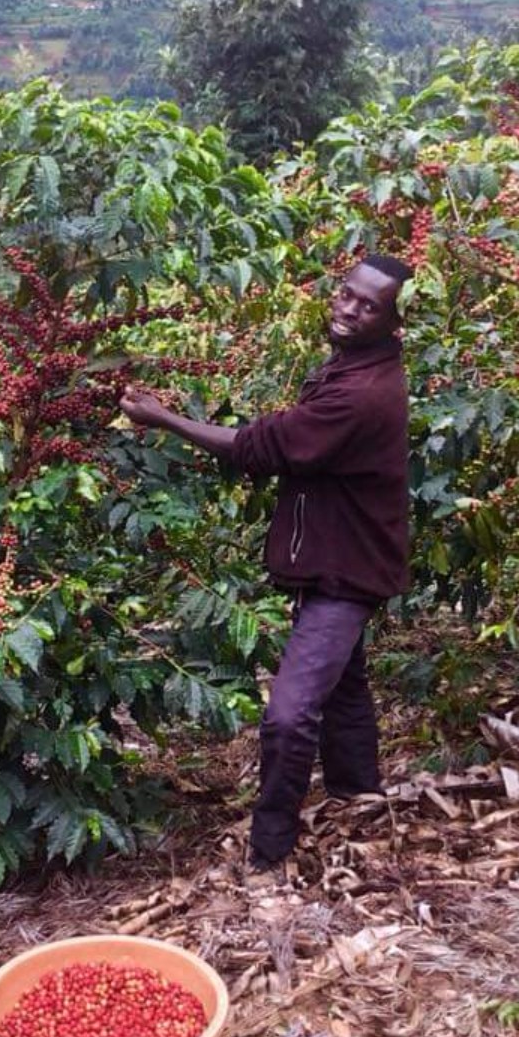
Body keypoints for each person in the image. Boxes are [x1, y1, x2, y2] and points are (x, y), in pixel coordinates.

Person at [119, 253, 413, 874]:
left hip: (347, 572)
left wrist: (162, 418)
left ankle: (269, 853)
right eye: (347, 294)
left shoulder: (361, 394)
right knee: (345, 686)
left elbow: (264, 446)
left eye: (368, 307)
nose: (348, 309)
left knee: (289, 714)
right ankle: (360, 802)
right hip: (341, 557)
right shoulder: (355, 365)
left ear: (395, 322)